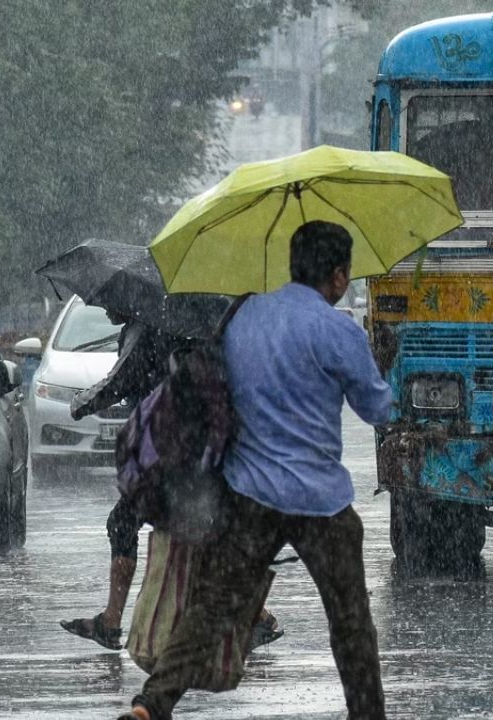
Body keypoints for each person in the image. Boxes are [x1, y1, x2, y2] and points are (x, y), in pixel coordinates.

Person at [121, 221, 394, 720]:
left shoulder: (242, 316)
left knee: (210, 609)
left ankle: (152, 703)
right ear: (336, 276)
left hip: (249, 496)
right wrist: (383, 364)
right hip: (321, 503)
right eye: (346, 276)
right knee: (351, 622)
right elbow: (378, 410)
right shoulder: (337, 331)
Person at [59, 311, 283, 652]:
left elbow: (120, 380)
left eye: (110, 302)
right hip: (199, 449)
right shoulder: (200, 326)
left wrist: (79, 405)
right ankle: (258, 617)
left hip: (168, 453)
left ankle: (111, 621)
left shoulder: (146, 329)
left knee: (126, 523)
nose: (105, 309)